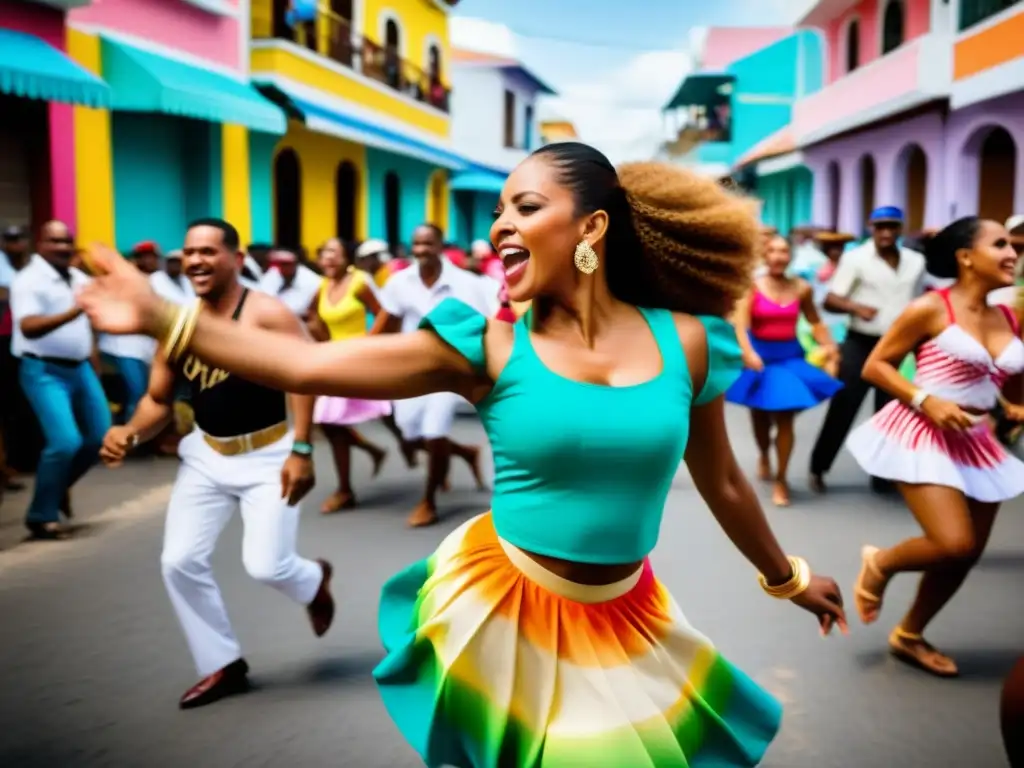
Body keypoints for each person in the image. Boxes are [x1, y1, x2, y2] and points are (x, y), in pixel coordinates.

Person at [77, 143, 847, 767]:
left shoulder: (689, 342)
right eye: (499, 210)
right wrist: (164, 319)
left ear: (592, 228)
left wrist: (791, 580)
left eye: (527, 206)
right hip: (509, 614)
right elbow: (307, 367)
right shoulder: (486, 347)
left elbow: (722, 480)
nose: (499, 227)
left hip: (628, 616)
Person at [96, 218, 335, 709]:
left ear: (235, 257)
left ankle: (313, 581)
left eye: (208, 251)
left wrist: (303, 449)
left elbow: (304, 376)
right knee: (178, 561)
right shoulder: (177, 325)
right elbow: (158, 400)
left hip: (268, 455)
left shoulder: (266, 313)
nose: (197, 261)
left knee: (266, 565)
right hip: (205, 456)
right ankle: (222, 664)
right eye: (189, 252)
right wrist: (129, 431)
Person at [846, 217, 1024, 677]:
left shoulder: (1007, 315)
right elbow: (876, 366)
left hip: (979, 441)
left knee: (966, 554)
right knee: (953, 541)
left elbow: (996, 377)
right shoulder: (931, 307)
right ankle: (879, 563)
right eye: (1000, 244)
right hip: (923, 432)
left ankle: (910, 633)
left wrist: (1007, 407)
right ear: (965, 257)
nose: (1012, 252)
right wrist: (927, 400)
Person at [374, 223, 490, 527]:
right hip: (412, 371)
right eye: (417, 243)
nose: (421, 249)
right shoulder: (400, 282)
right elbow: (389, 322)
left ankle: (429, 501)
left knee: (434, 430)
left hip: (450, 372)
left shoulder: (468, 284)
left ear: (440, 246)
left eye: (428, 243)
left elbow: (486, 326)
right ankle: (464, 452)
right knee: (409, 431)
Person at [808, 206, 926, 493]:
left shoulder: (916, 261)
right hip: (861, 342)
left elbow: (919, 302)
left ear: (900, 229)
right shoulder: (855, 259)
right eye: (880, 226)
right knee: (844, 405)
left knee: (890, 410)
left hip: (896, 345)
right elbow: (830, 300)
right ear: (871, 227)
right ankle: (818, 467)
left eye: (892, 226)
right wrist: (855, 307)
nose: (886, 232)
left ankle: (882, 475)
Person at [10, 220, 109, 539]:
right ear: (40, 244)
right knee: (65, 442)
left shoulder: (78, 277)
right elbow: (29, 326)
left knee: (102, 438)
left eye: (67, 241)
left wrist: (93, 361)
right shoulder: (29, 280)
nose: (63, 247)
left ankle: (58, 485)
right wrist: (75, 310)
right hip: (44, 371)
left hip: (80, 368)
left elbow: (87, 325)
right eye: (54, 241)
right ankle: (41, 515)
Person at [727, 235, 842, 506]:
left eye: (783, 251)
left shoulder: (802, 288)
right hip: (759, 357)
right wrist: (747, 353)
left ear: (790, 256)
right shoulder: (750, 287)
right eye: (773, 251)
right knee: (759, 415)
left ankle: (781, 479)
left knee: (785, 416)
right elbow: (740, 326)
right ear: (764, 256)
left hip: (789, 358)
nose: (778, 256)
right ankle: (765, 453)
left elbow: (815, 322)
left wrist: (830, 346)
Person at [307, 238, 391, 513]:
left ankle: (452, 452)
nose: (328, 258)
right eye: (324, 253)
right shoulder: (322, 285)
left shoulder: (359, 282)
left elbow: (382, 313)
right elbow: (312, 317)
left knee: (404, 424)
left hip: (357, 361)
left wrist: (367, 342)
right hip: (334, 361)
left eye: (334, 252)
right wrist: (322, 342)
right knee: (330, 424)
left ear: (347, 259)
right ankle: (347, 486)